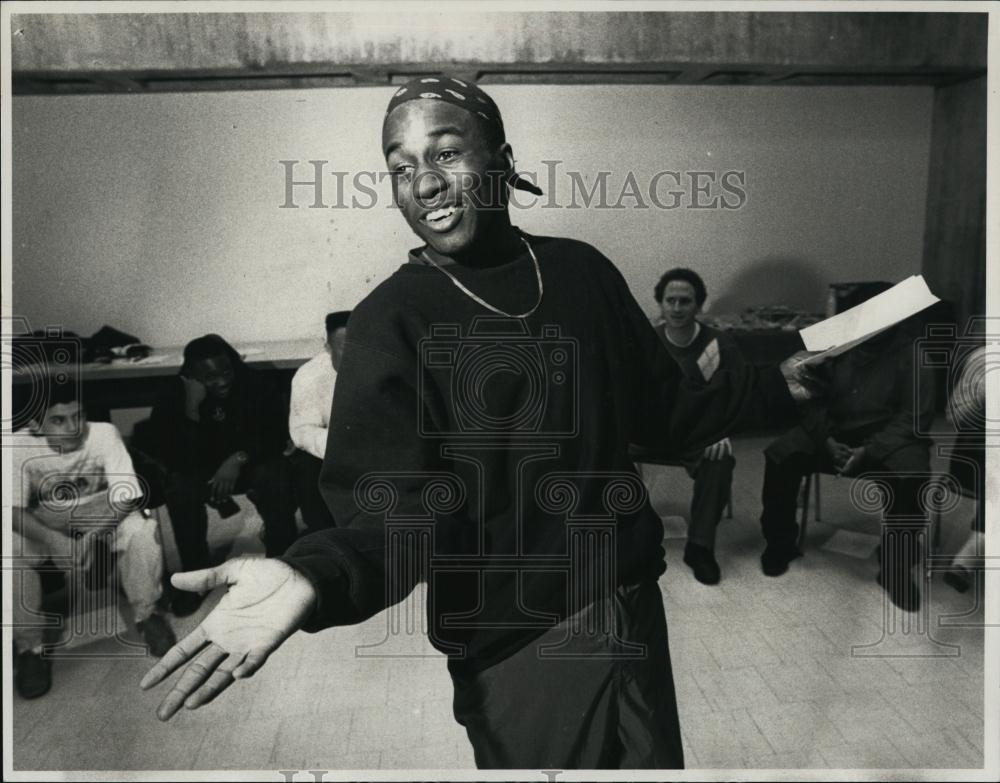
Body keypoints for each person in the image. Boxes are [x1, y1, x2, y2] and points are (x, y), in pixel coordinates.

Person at [141, 76, 818, 768]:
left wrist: (775, 387)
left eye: (445, 152)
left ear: (501, 158)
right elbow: (392, 513)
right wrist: (313, 572)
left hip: (630, 601)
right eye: (400, 168)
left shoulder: (581, 272)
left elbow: (666, 412)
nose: (423, 183)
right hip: (517, 640)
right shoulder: (392, 322)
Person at [758, 308, 935, 611]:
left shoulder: (915, 355)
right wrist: (827, 441)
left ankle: (895, 568)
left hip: (889, 438)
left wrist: (869, 451)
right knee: (781, 455)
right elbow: (810, 402)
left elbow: (913, 419)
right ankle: (780, 543)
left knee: (912, 477)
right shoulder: (834, 349)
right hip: (834, 434)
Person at [11, 381, 176, 699]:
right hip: (46, 514)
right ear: (34, 424)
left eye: (78, 415)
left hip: (102, 508)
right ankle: (30, 646)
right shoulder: (16, 446)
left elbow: (126, 497)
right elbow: (12, 510)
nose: (73, 427)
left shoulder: (103, 433)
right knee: (8, 550)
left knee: (143, 531)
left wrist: (91, 537)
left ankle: (147, 612)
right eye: (59, 420)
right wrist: (54, 540)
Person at [139, 334, 298, 616]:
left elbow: (274, 435)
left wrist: (237, 459)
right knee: (180, 485)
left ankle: (280, 559)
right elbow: (175, 456)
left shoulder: (254, 384)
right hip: (201, 471)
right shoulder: (175, 395)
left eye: (226, 372)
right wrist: (192, 408)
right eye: (210, 377)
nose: (222, 381)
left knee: (276, 473)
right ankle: (197, 570)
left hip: (249, 464)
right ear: (192, 377)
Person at [651, 267, 744, 585]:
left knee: (719, 461)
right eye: (670, 300)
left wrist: (722, 432)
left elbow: (736, 396)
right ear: (660, 304)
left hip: (696, 435)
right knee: (605, 450)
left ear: (699, 306)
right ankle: (624, 538)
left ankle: (700, 548)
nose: (677, 308)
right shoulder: (647, 341)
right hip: (652, 431)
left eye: (685, 301)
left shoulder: (719, 345)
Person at [287, 311, 350, 531]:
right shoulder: (308, 376)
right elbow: (302, 431)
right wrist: (342, 446)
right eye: (344, 348)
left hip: (375, 448)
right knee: (306, 469)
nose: (353, 356)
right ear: (328, 347)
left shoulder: (383, 366)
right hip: (328, 450)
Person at [942, 343, 987, 592]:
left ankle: (975, 546)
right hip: (975, 459)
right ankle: (974, 550)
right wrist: (982, 397)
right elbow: (953, 416)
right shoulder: (983, 359)